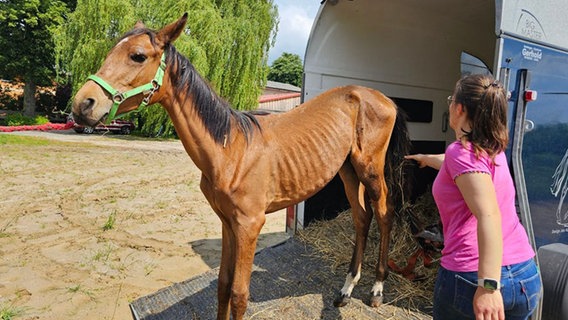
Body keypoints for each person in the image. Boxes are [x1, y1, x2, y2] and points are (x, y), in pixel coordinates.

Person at [406, 74, 542, 320]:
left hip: (473, 276)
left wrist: (488, 286)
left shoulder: (460, 152)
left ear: (459, 108)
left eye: (451, 100)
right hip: (524, 275)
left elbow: (488, 214)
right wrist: (426, 159)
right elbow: (463, 167)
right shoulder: (492, 150)